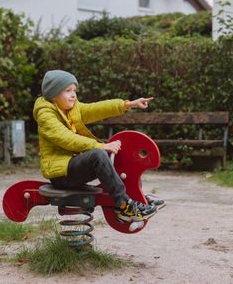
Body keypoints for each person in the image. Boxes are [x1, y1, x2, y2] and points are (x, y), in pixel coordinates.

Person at [33, 70, 163, 222]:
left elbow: (96, 108)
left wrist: (127, 104)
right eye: (68, 91)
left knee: (115, 153)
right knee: (98, 155)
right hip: (61, 174)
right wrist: (99, 146)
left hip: (73, 166)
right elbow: (65, 138)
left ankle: (134, 196)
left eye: (74, 90)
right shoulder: (45, 115)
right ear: (54, 95)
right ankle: (124, 206)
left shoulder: (70, 109)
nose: (73, 95)